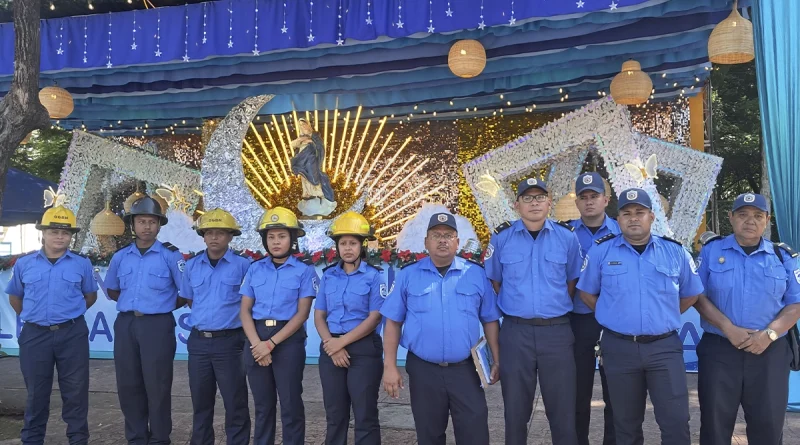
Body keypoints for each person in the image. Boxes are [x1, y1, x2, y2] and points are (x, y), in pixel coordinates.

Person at [577, 188, 703, 445]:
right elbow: (587, 293)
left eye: (640, 212)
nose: (633, 218)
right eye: (627, 213)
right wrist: (613, 313)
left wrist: (664, 314)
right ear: (618, 217)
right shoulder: (601, 252)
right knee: (625, 424)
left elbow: (692, 294)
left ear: (651, 217)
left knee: (676, 421)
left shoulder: (675, 252)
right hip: (619, 347)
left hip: (664, 348)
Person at [381, 212, 500, 445]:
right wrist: (390, 367)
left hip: (466, 370)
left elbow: (490, 320)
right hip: (424, 371)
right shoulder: (408, 275)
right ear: (426, 242)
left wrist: (497, 359)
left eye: (448, 235)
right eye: (436, 235)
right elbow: (393, 322)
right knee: (430, 435)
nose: (442, 240)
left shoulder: (475, 274)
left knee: (475, 434)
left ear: (457, 241)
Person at [694, 192, 800, 445]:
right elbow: (696, 296)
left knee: (768, 425)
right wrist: (728, 328)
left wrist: (769, 334)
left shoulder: (783, 257)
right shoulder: (710, 252)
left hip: (769, 352)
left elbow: (795, 304)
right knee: (715, 426)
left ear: (767, 220)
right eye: (742, 214)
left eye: (757, 216)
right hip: (720, 350)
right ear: (730, 218)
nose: (749, 221)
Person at [485, 178, 582, 445]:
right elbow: (495, 281)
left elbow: (572, 281)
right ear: (517, 205)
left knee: (562, 412)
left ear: (549, 203)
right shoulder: (501, 238)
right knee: (515, 412)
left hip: (557, 333)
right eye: (527, 198)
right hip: (516, 334)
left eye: (540, 197)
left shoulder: (567, 237)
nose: (534, 203)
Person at [5, 206, 97, 445]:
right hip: (35, 335)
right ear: (43, 234)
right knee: (36, 394)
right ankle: (32, 441)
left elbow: (89, 296)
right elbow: (15, 297)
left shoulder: (81, 264)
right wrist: (34, 317)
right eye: (54, 231)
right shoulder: (25, 264)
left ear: (71, 236)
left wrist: (67, 317)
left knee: (75, 394)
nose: (59, 236)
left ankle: (78, 440)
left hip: (72, 334)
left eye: (65, 233)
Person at [105, 196, 185, 445]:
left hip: (157, 326)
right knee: (128, 383)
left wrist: (158, 308)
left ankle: (160, 438)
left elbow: (184, 292)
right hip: (127, 324)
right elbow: (112, 289)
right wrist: (135, 305)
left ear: (159, 225)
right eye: (141, 221)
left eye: (152, 221)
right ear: (133, 224)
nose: (146, 227)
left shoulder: (170, 255)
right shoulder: (120, 256)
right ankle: (137, 437)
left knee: (157, 384)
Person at [239, 207, 319, 445]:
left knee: (291, 403)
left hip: (287, 341)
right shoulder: (254, 268)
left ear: (292, 239)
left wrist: (271, 344)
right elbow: (244, 310)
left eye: (281, 236)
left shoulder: (304, 270)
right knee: (263, 406)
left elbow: (302, 313)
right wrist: (257, 345)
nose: (276, 242)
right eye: (271, 237)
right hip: (256, 338)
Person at [181, 209, 251, 445]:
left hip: (230, 342)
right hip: (199, 342)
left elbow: (249, 303)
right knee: (200, 404)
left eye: (220, 233)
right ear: (202, 236)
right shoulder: (192, 266)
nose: (214, 238)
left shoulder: (243, 266)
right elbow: (190, 300)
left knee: (235, 402)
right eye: (209, 232)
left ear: (230, 236)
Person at [314, 211, 384, 445]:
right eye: (343, 243)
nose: (347, 248)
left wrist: (340, 344)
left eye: (353, 243)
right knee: (335, 414)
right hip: (331, 346)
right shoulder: (328, 276)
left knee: (365, 414)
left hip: (363, 349)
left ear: (362, 246)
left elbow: (374, 318)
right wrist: (331, 345)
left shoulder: (374, 277)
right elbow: (319, 315)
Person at [568, 172, 619, 445]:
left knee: (616, 393)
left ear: (605, 200)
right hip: (578, 321)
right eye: (583, 197)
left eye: (594, 196)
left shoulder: (621, 232)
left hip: (612, 322)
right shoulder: (564, 234)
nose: (589, 202)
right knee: (578, 392)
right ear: (576, 202)